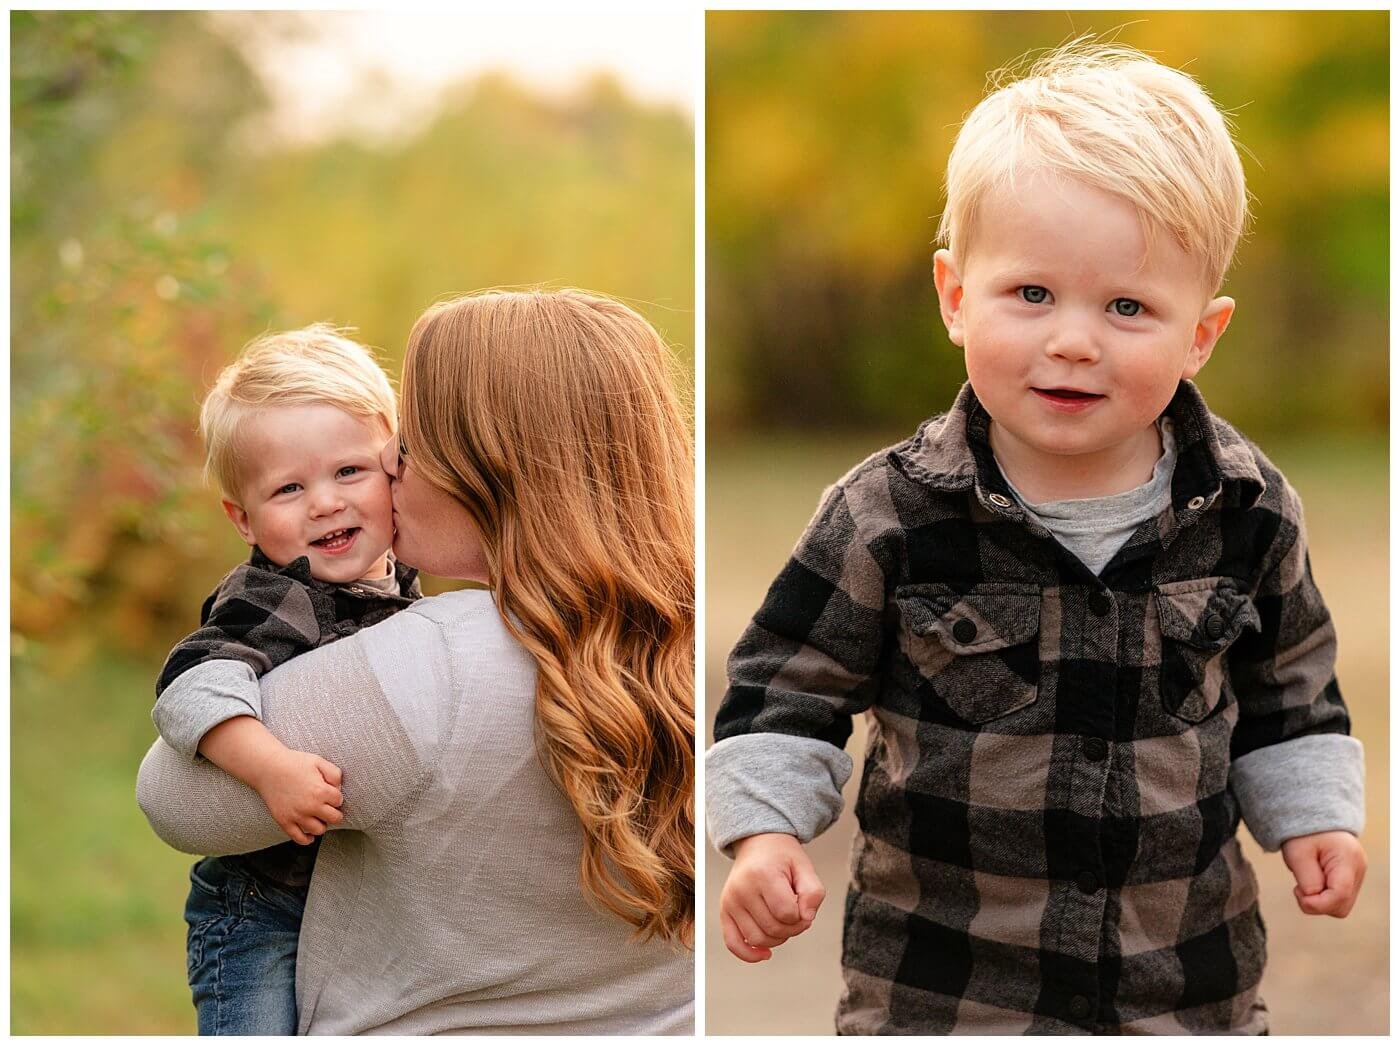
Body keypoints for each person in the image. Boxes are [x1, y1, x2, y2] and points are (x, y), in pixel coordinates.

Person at [707, 41, 1366, 1034]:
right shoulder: (886, 515)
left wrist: (1314, 816)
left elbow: (1291, 687)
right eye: (1030, 294)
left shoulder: (1245, 507)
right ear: (952, 295)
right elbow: (779, 693)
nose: (1071, 339)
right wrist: (762, 837)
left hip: (1181, 987)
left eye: (1126, 307)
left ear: (1201, 333)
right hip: (944, 992)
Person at [139, 288, 695, 1034]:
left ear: (486, 469)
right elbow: (194, 682)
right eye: (292, 487)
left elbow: (170, 797)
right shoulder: (678, 640)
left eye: (401, 448)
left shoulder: (434, 663)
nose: (393, 471)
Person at [151, 325, 420, 1035]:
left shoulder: (403, 587)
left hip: (352, 895)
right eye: (289, 488)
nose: (325, 504)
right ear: (242, 519)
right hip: (259, 909)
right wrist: (269, 768)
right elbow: (190, 684)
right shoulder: (275, 597)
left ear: (397, 467)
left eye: (349, 473)